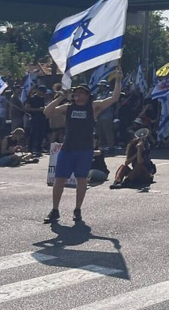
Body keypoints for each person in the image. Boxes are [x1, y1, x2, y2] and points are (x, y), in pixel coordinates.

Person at [43, 69, 123, 223]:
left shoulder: (93, 107)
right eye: (76, 93)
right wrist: (60, 97)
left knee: (81, 180)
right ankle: (55, 210)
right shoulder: (68, 107)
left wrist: (118, 81)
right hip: (67, 149)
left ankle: (78, 209)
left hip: (84, 150)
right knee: (59, 180)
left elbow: (114, 98)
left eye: (81, 93)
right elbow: (47, 112)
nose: (78, 95)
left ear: (87, 95)